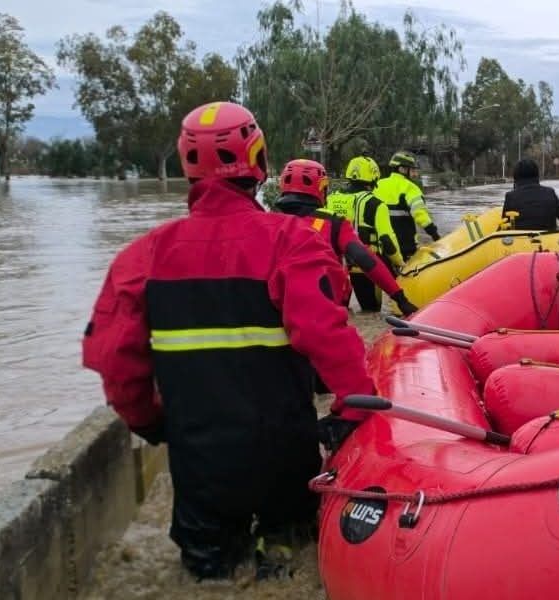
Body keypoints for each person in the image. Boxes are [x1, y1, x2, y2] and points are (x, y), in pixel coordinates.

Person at [81, 101, 377, 581]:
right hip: (285, 456)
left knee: (208, 573)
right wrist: (353, 409)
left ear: (186, 165)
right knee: (289, 560)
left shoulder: (142, 256)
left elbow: (115, 362)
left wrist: (155, 423)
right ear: (259, 161)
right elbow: (329, 335)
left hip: (199, 465)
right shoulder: (293, 242)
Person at [274, 159, 417, 316]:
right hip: (333, 297)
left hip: (277, 309)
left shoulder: (266, 223)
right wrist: (400, 297)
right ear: (320, 187)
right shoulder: (335, 223)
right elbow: (372, 252)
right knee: (370, 312)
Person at [325, 156, 404, 312]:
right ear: (373, 176)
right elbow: (387, 240)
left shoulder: (330, 199)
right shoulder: (376, 204)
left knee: (337, 314)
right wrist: (400, 263)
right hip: (365, 268)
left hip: (335, 268)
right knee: (371, 313)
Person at [374, 151, 440, 260]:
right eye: (413, 170)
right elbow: (420, 214)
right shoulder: (410, 187)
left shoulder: (378, 185)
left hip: (380, 244)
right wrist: (434, 234)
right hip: (404, 244)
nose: (415, 174)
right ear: (402, 169)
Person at [501, 158, 559, 230]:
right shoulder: (550, 192)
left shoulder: (510, 196)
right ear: (537, 175)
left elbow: (505, 221)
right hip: (548, 238)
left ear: (516, 177)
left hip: (519, 239)